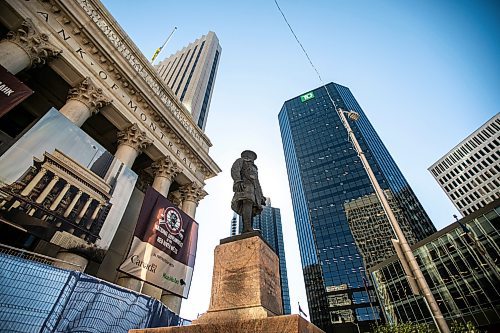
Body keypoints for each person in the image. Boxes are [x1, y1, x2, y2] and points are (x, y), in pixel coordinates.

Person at [230, 150, 265, 233]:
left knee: (252, 208)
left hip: (254, 189)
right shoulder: (241, 161)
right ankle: (247, 228)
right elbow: (235, 170)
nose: (252, 158)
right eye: (251, 155)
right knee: (247, 203)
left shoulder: (254, 167)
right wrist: (238, 181)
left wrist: (261, 195)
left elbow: (257, 182)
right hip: (245, 185)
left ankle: (249, 227)